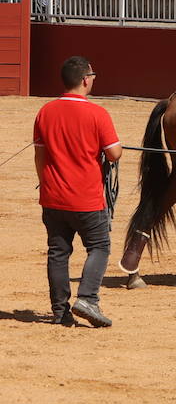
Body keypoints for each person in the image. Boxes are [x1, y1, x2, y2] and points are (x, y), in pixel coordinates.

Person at [33, 56, 122, 327]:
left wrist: (46, 183)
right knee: (99, 247)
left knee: (57, 252)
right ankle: (88, 298)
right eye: (92, 75)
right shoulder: (97, 113)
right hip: (86, 198)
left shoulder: (45, 111)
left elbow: (40, 155)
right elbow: (114, 153)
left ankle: (60, 312)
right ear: (85, 80)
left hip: (53, 196)